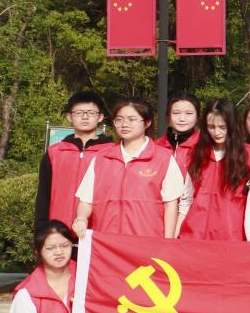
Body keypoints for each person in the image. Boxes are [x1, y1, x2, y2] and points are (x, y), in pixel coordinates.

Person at [72, 97, 183, 240]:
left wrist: (167, 242)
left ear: (147, 123)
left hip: (146, 242)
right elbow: (86, 200)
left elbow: (171, 205)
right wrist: (81, 218)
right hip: (106, 240)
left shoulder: (163, 158)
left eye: (132, 119)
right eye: (119, 119)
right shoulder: (101, 158)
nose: (124, 124)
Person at [34, 91, 111, 235]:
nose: (85, 117)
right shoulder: (54, 152)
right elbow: (43, 196)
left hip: (97, 233)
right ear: (69, 116)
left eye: (91, 112)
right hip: (59, 233)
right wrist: (40, 231)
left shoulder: (112, 152)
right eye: (79, 112)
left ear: (100, 117)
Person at [179, 99, 250, 240]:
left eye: (222, 127)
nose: (216, 132)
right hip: (194, 235)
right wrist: (172, 239)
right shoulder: (196, 154)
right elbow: (187, 199)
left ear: (233, 126)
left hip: (231, 238)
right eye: (211, 127)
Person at [155, 90, 201, 173]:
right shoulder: (156, 146)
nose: (182, 119)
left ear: (197, 116)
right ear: (168, 115)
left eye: (189, 113)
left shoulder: (205, 146)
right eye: (176, 113)